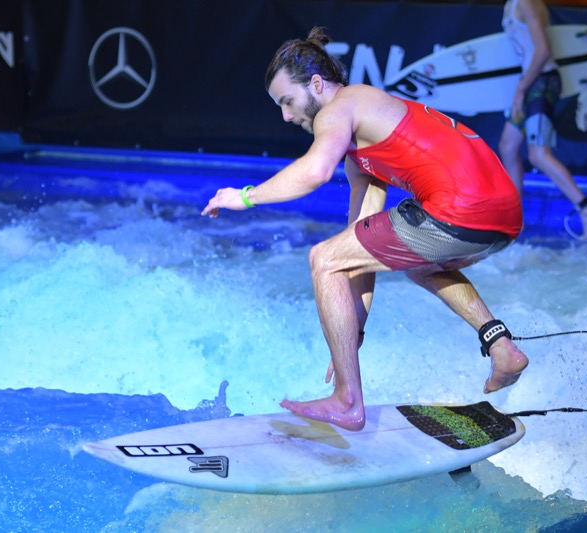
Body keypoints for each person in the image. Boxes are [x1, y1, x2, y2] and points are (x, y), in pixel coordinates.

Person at [201, 27, 529, 431]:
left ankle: (347, 401)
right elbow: (358, 248)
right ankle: (500, 345)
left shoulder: (342, 106)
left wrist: (244, 196)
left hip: (461, 208)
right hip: (506, 215)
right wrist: (352, 329)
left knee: (322, 259)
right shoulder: (363, 143)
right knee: (392, 262)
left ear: (316, 84)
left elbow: (315, 172)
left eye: (287, 101)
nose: (286, 116)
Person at [499, 0, 587, 240]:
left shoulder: (526, 2)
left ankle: (586, 209)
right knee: (508, 146)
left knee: (538, 154)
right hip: (531, 82)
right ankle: (515, 220)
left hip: (542, 83)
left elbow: (543, 49)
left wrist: (521, 88)